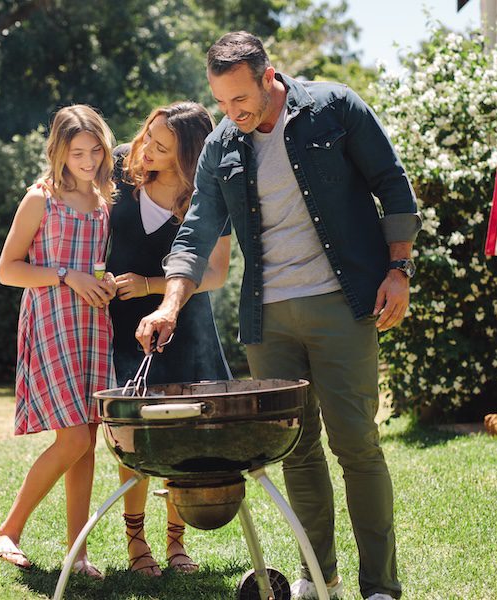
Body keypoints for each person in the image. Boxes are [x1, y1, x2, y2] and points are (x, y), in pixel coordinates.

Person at [136, 32, 421, 600]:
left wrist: (400, 270)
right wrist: (169, 302)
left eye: (240, 100)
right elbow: (197, 230)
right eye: (221, 102)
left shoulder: (333, 109)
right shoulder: (222, 144)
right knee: (298, 449)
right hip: (268, 318)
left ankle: (380, 586)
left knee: (357, 445)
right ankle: (322, 579)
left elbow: (392, 184)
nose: (231, 113)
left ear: (270, 77)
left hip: (343, 302)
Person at [0, 105, 117, 579]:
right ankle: (9, 530)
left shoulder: (104, 201)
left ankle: (77, 554)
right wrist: (67, 277)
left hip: (93, 324)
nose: (87, 160)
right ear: (58, 153)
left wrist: (105, 284)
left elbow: (96, 267)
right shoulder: (41, 198)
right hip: (52, 319)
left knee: (87, 439)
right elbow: (7, 270)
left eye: (94, 150)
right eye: (76, 152)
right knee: (73, 438)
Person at [108, 101, 232, 576]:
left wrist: (149, 285)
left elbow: (216, 274)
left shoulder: (209, 196)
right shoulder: (120, 169)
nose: (145, 151)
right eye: (146, 137)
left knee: (182, 437)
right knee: (134, 435)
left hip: (184, 326)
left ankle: (176, 543)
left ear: (188, 156)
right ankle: (136, 545)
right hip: (122, 327)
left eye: (161, 147)